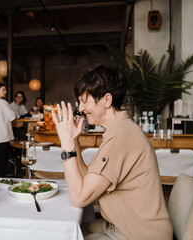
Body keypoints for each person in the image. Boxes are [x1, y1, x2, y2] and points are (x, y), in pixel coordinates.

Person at [52, 65, 173, 240]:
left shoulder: (121, 137)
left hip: (138, 234)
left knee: (63, 235)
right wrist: (74, 141)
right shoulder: (119, 130)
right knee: (67, 230)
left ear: (107, 100)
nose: (81, 108)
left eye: (84, 101)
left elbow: (79, 198)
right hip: (122, 224)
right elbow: (88, 178)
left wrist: (67, 145)